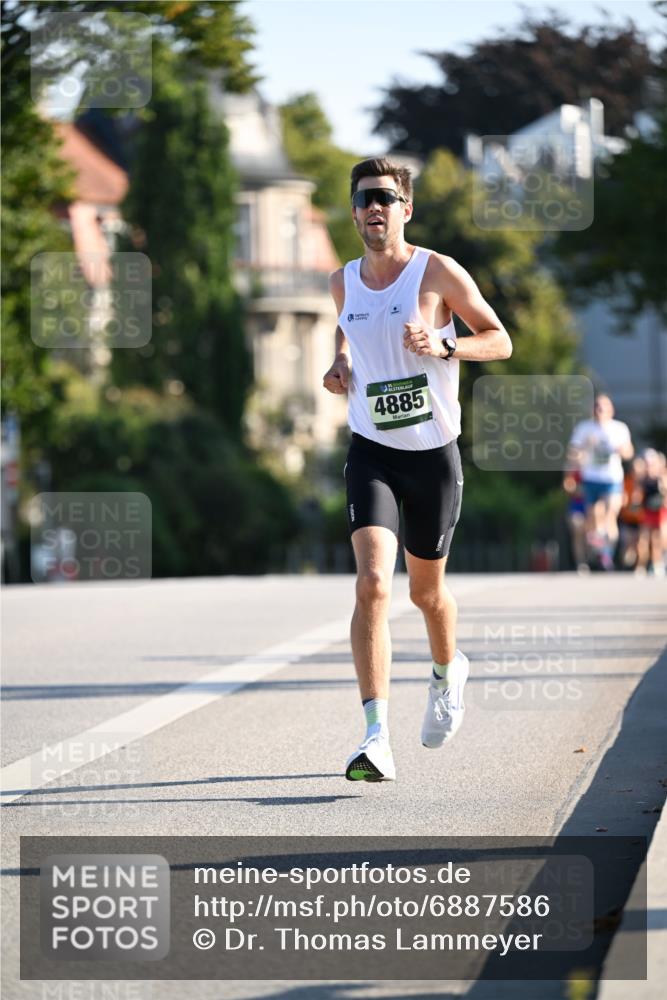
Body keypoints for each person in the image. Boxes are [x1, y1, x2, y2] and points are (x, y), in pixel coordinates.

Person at [322, 157, 512, 782]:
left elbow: (501, 339)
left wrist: (446, 344)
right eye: (363, 198)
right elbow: (349, 334)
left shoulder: (437, 272)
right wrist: (339, 365)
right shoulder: (342, 281)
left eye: (385, 197)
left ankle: (446, 671)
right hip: (371, 450)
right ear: (353, 212)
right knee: (374, 582)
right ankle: (376, 736)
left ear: (406, 208)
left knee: (425, 592)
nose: (374, 207)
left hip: (433, 454)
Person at [567, 394, 634, 571]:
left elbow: (629, 453)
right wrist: (580, 454)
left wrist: (621, 450)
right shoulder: (584, 428)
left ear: (611, 410)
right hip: (591, 478)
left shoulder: (619, 428)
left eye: (604, 406)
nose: (600, 410)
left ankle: (606, 551)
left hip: (612, 478)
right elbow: (573, 452)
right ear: (593, 409)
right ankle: (599, 545)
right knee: (595, 515)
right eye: (597, 406)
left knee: (611, 512)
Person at [635, 449, 667, 577]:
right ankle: (641, 566)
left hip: (660, 512)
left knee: (658, 540)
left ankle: (658, 564)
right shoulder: (643, 479)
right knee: (643, 540)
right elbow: (637, 496)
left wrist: (662, 484)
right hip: (648, 512)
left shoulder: (662, 477)